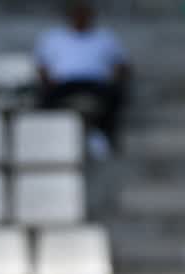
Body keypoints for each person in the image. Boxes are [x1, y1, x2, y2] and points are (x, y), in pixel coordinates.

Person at [35, 1, 130, 158]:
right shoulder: (54, 37)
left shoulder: (105, 37)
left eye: (84, 14)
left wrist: (114, 78)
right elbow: (41, 65)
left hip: (96, 83)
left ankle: (106, 136)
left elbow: (122, 65)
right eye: (76, 15)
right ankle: (48, 139)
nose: (80, 18)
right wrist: (47, 80)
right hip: (65, 83)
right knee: (45, 99)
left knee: (115, 96)